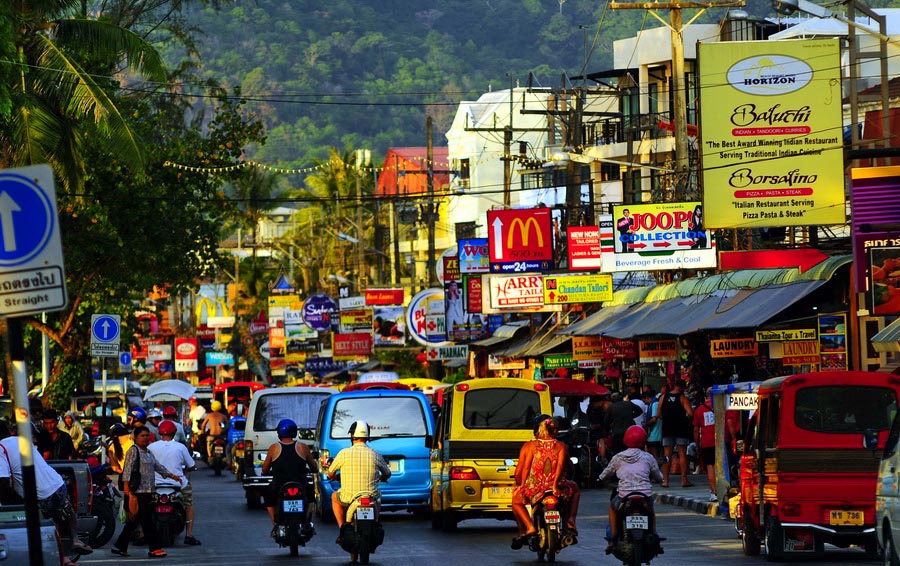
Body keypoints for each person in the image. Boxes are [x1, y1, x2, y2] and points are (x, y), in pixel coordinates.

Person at [0, 423, 93, 562]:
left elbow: (3, 482)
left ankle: (62, 558)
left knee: (48, 526)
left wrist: (17, 499)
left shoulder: (0, 449)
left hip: (38, 495)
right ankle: (75, 539)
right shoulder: (21, 440)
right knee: (66, 510)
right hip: (57, 483)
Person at [111, 425, 181, 558]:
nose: (145, 438)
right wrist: (128, 493)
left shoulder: (148, 452)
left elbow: (158, 466)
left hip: (148, 491)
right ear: (135, 438)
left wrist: (173, 476)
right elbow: (127, 471)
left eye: (147, 435)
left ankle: (119, 545)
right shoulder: (134, 451)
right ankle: (154, 548)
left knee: (135, 521)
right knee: (147, 521)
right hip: (136, 493)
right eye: (142, 436)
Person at [510, 415, 579, 550]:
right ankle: (570, 521)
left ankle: (529, 527)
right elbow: (561, 467)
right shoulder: (561, 446)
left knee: (515, 500)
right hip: (556, 488)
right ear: (555, 431)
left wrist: (522, 485)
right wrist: (554, 485)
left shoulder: (529, 446)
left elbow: (524, 468)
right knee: (575, 489)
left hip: (534, 488)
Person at [599, 425, 663, 553]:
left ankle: (613, 537)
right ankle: (654, 534)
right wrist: (659, 479)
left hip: (624, 496)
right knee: (651, 511)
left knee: (613, 508)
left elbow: (606, 473)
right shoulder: (648, 457)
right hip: (644, 495)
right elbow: (658, 476)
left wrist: (600, 478)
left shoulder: (618, 457)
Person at [326, 420, 391, 533]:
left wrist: (333, 476)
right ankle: (375, 522)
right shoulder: (375, 454)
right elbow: (387, 473)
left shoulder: (343, 453)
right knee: (379, 496)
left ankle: (342, 529)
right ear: (367, 436)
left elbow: (330, 473)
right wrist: (382, 477)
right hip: (371, 497)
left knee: (334, 497)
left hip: (348, 497)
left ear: (352, 435)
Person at [261, 419, 317, 536]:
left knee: (269, 499)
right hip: (301, 485)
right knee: (311, 496)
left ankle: (275, 525)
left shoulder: (274, 448)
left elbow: (265, 468)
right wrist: (312, 470)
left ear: (279, 432)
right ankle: (306, 519)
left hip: (279, 485)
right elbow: (314, 467)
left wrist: (265, 472)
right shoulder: (303, 447)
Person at [149, 420, 201, 545]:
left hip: (155, 484)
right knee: (188, 505)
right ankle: (189, 535)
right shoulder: (180, 447)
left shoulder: (151, 447)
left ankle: (141, 533)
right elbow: (191, 465)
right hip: (178, 484)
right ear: (174, 432)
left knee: (145, 506)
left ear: (160, 432)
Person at [660, 379, 694, 488]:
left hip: (667, 428)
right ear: (683, 388)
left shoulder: (663, 397)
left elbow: (658, 414)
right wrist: (682, 418)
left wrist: (667, 418)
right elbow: (690, 413)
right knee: (682, 453)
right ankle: (684, 480)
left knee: (666, 455)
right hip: (680, 428)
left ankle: (665, 481)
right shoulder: (682, 398)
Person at [692, 394, 717, 502]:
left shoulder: (699, 410)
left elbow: (696, 430)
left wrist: (697, 444)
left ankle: (714, 492)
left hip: (707, 442)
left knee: (710, 466)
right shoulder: (721, 407)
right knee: (721, 467)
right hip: (721, 441)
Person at [646, 386, 665, 460]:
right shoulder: (654, 403)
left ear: (648, 398)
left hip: (655, 434)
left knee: (655, 453)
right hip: (656, 433)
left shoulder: (655, 404)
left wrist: (646, 424)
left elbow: (654, 419)